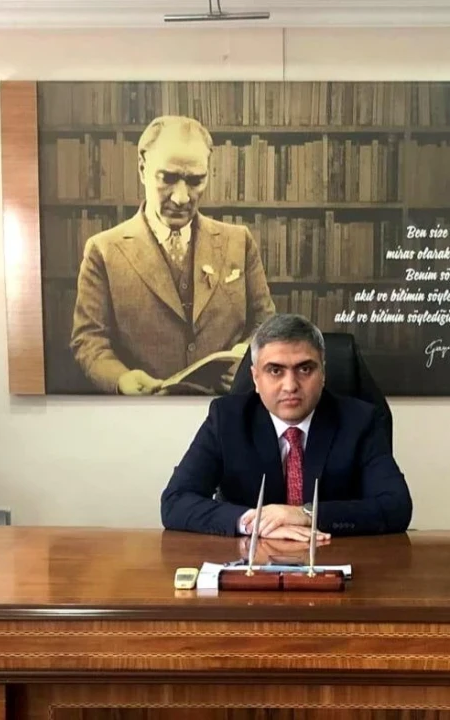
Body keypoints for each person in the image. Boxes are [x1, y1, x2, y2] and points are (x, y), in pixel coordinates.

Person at [70, 115, 275, 395]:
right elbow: (89, 341)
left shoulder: (239, 242)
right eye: (167, 178)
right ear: (142, 169)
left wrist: (249, 359)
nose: (181, 198)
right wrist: (121, 379)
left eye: (195, 181)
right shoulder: (103, 250)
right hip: (146, 412)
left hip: (224, 409)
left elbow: (266, 324)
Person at [160, 313, 413, 539]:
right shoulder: (227, 419)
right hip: (250, 562)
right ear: (255, 378)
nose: (290, 386)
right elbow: (175, 501)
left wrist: (306, 514)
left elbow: (396, 506)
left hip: (332, 558)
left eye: (305, 369)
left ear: (323, 373)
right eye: (275, 371)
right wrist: (255, 523)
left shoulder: (359, 421)